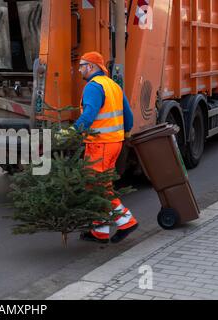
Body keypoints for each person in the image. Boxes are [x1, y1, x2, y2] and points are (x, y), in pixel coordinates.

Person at [74, 51, 138, 244]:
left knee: (97, 187)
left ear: (92, 67)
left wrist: (72, 132)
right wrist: (125, 134)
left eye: (82, 65)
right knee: (101, 184)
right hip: (114, 144)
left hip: (99, 144)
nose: (79, 69)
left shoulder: (93, 87)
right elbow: (129, 117)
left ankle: (126, 221)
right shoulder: (114, 86)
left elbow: (89, 114)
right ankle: (100, 231)